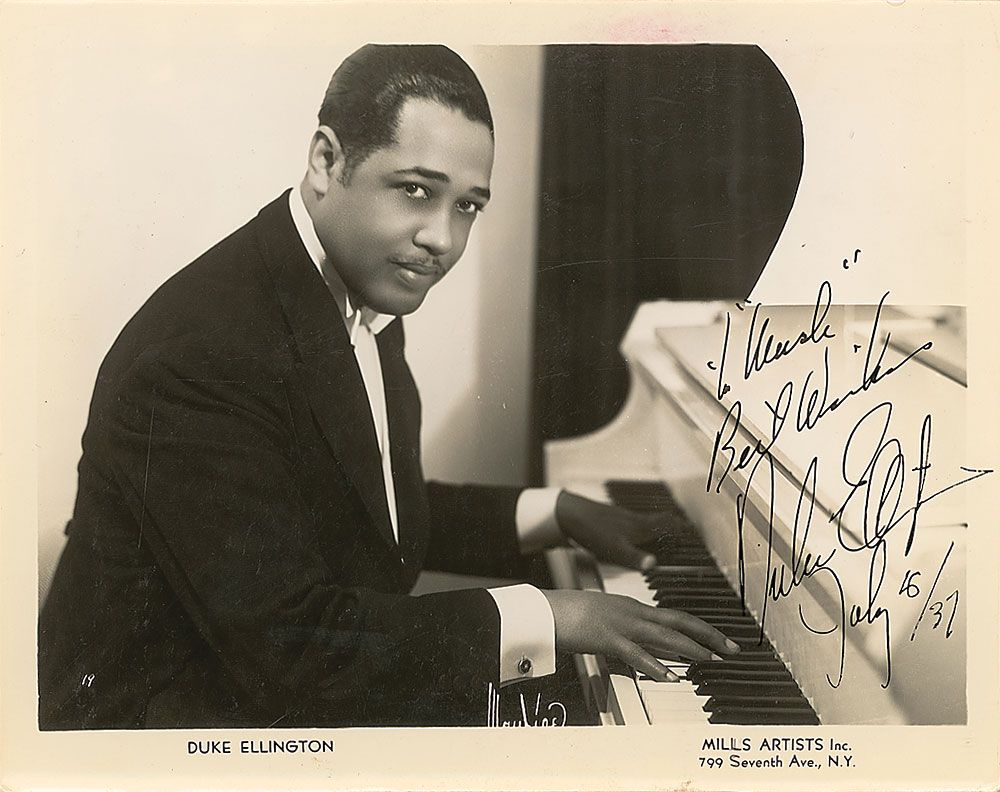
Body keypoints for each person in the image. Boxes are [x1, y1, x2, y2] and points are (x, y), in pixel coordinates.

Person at [38, 44, 737, 729]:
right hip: (152, 737)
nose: (443, 239)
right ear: (326, 161)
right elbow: (290, 647)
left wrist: (553, 511)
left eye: (468, 206)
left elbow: (366, 514)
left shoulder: (356, 283)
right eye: (416, 191)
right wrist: (550, 614)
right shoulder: (203, 353)